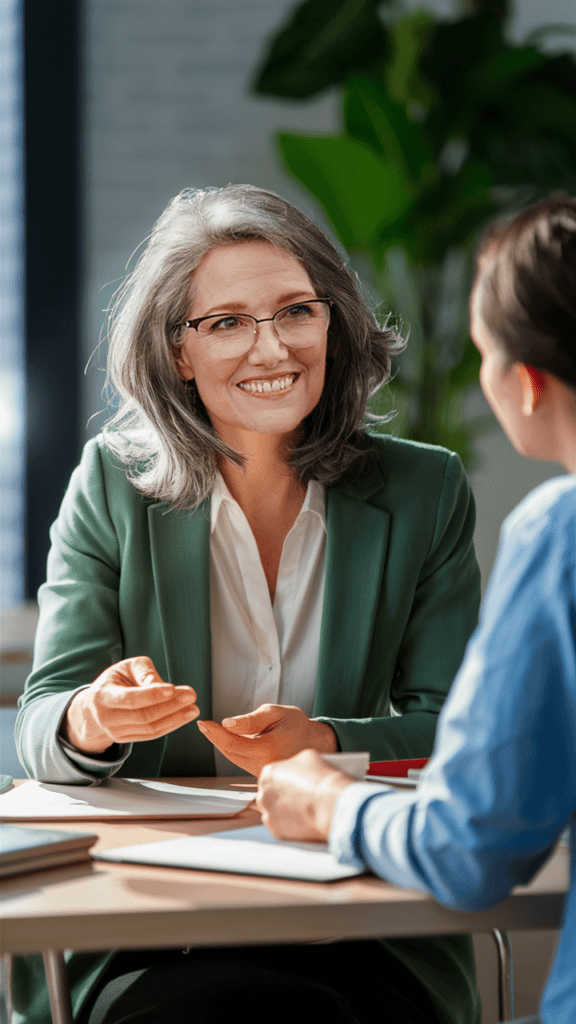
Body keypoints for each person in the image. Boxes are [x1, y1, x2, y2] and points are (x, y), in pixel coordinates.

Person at [13, 185, 481, 1024]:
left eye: (296, 311)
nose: (271, 347)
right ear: (178, 353)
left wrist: (328, 742)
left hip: (359, 915)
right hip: (156, 924)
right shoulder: (110, 488)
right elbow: (42, 725)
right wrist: (95, 717)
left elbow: (457, 724)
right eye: (226, 322)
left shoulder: (425, 488)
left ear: (333, 324)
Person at [257, 195, 576, 1024]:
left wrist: (329, 800)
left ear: (528, 384)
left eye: (482, 351)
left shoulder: (560, 535)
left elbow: (474, 847)